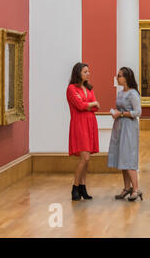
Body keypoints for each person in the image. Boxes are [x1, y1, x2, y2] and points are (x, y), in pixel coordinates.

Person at [108, 67, 143, 201]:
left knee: (128, 157)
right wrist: (116, 113)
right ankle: (126, 187)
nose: (118, 77)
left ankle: (136, 189)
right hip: (119, 126)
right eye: (118, 75)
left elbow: (138, 112)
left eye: (120, 76)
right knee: (122, 157)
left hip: (129, 127)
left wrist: (121, 113)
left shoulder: (133, 94)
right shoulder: (121, 92)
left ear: (127, 78)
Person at [66, 62, 100, 201]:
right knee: (84, 157)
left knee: (87, 159)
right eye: (85, 71)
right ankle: (75, 186)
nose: (88, 73)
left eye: (88, 71)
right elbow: (80, 106)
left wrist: (89, 105)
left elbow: (96, 107)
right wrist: (91, 104)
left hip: (90, 122)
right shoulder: (71, 88)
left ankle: (83, 187)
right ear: (78, 73)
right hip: (79, 124)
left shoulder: (88, 88)